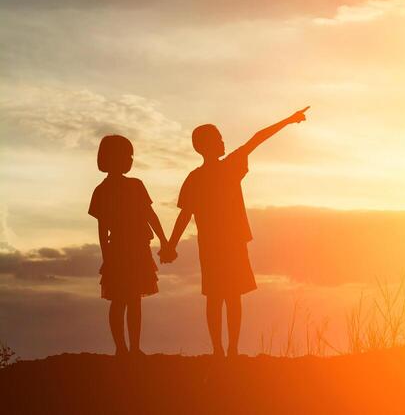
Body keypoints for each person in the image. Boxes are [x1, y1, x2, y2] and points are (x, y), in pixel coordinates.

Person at [164, 107, 310, 358]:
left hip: (217, 243)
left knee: (219, 296)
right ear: (206, 146)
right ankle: (227, 348)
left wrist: (171, 245)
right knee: (229, 296)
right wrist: (288, 120)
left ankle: (223, 349)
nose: (223, 142)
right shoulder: (225, 167)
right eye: (219, 139)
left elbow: (184, 215)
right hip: (228, 242)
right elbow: (257, 138)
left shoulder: (198, 176)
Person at [88, 134, 171, 357]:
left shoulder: (133, 186)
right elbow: (102, 229)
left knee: (131, 300)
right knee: (121, 301)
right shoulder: (104, 191)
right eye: (127, 155)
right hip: (120, 251)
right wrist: (107, 258)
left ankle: (132, 347)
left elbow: (149, 215)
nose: (130, 159)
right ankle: (122, 348)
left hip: (135, 249)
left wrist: (164, 240)